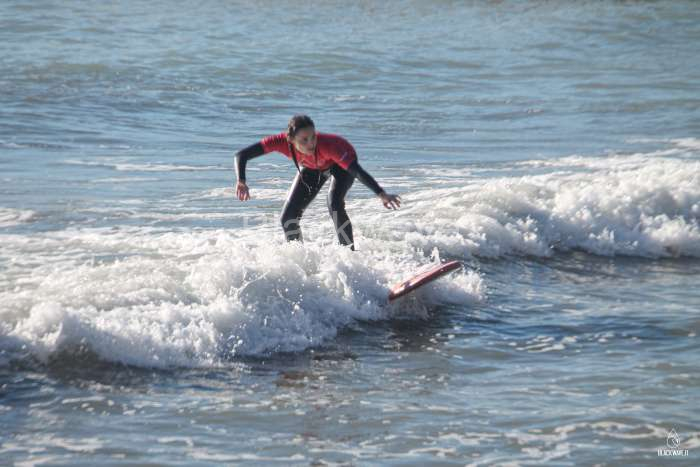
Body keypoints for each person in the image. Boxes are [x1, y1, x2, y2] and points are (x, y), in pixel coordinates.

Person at [234, 115, 401, 250]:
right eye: (304, 140)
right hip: (312, 167)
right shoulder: (279, 142)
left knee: (334, 203)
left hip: (342, 165)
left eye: (313, 137)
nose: (311, 143)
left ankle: (349, 253)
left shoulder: (329, 146)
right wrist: (241, 181)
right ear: (291, 139)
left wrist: (381, 194)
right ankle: (299, 259)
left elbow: (356, 171)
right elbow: (241, 155)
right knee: (288, 217)